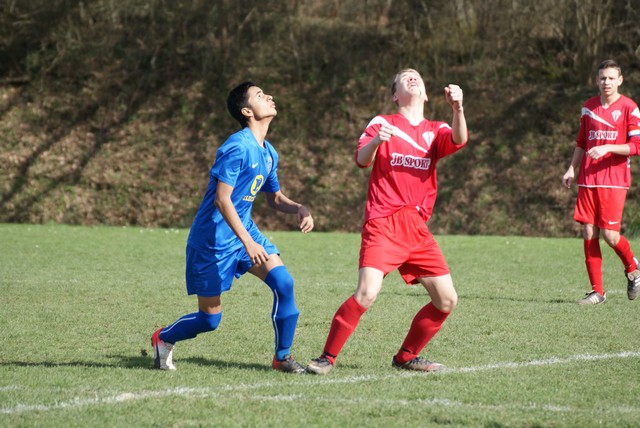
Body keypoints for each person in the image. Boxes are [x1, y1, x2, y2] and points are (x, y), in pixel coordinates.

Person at [307, 68, 468, 375]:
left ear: (425, 94)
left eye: (417, 76)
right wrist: (376, 142)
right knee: (367, 293)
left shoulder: (436, 128)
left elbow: (459, 140)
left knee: (447, 300)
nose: (412, 77)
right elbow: (361, 160)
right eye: (404, 77)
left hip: (417, 227)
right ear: (395, 95)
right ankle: (326, 358)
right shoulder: (382, 122)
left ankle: (406, 356)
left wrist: (458, 107)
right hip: (383, 221)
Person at [151, 81, 314, 372]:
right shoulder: (236, 147)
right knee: (210, 320)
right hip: (211, 241)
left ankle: (282, 358)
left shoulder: (268, 152)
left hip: (244, 232)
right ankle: (163, 337)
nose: (270, 96)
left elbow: (274, 198)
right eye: (260, 95)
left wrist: (299, 207)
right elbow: (222, 200)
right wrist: (249, 243)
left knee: (284, 283)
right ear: (246, 111)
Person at [562, 59, 640, 305]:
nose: (607, 82)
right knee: (588, 231)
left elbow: (636, 146)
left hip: (614, 180)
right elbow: (581, 142)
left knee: (610, 236)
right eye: (603, 78)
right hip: (588, 179)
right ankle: (597, 291)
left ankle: (633, 268)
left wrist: (607, 148)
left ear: (620, 80)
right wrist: (571, 168)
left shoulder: (629, 108)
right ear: (596, 80)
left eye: (611, 78)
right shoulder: (588, 107)